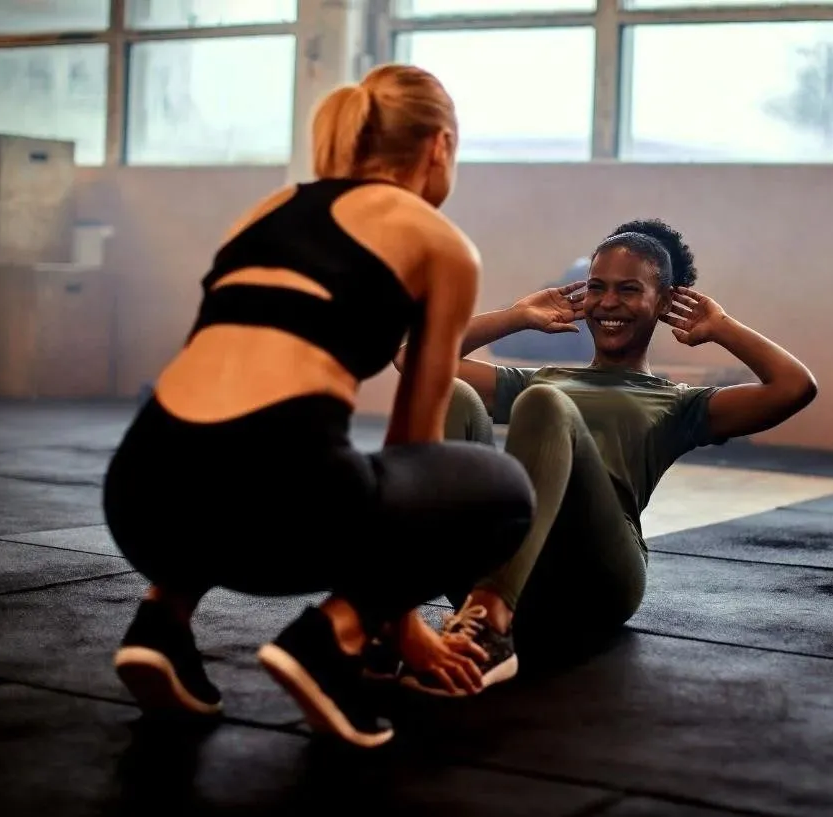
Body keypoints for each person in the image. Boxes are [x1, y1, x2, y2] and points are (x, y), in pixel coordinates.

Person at [100, 64, 535, 748]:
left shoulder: (267, 209)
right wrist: (400, 624)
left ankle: (162, 622)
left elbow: (212, 369)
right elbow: (414, 442)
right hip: (284, 507)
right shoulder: (439, 240)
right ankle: (330, 641)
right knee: (503, 488)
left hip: (140, 496)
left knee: (222, 450)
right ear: (439, 147)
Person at [390, 218, 817, 695]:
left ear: (664, 302)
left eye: (629, 290)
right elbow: (414, 360)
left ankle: (491, 621)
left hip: (595, 581)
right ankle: (393, 611)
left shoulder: (679, 403)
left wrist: (722, 328)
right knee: (452, 392)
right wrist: (514, 316)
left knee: (545, 404)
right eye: (597, 288)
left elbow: (794, 387)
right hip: (505, 561)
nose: (608, 303)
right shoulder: (542, 377)